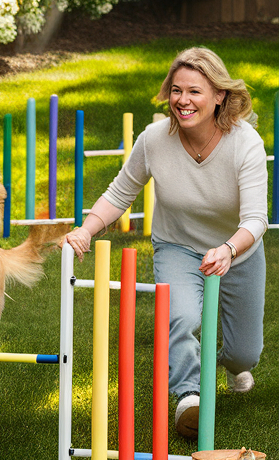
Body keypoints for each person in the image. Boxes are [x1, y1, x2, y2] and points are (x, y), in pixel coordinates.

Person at [65, 48, 268, 438]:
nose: (183, 101)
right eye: (176, 90)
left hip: (236, 251)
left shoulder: (246, 144)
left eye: (194, 91)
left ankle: (230, 364)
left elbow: (256, 219)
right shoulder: (155, 139)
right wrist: (86, 230)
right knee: (182, 317)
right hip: (178, 245)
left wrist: (227, 250)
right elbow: (120, 192)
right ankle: (188, 398)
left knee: (246, 352)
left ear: (219, 96)